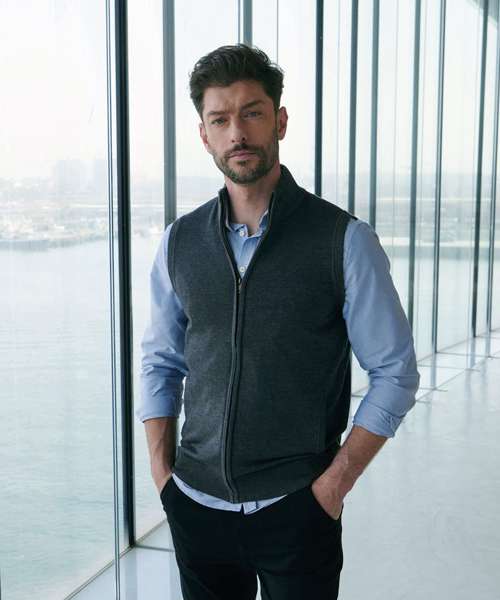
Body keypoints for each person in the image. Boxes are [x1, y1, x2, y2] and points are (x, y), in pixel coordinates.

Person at [137, 43, 419, 600]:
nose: (237, 132)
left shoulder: (342, 240)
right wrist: (163, 475)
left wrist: (333, 487)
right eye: (220, 119)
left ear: (280, 121)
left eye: (252, 113)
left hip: (297, 509)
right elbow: (159, 361)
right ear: (204, 136)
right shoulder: (179, 241)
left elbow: (395, 373)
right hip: (196, 507)